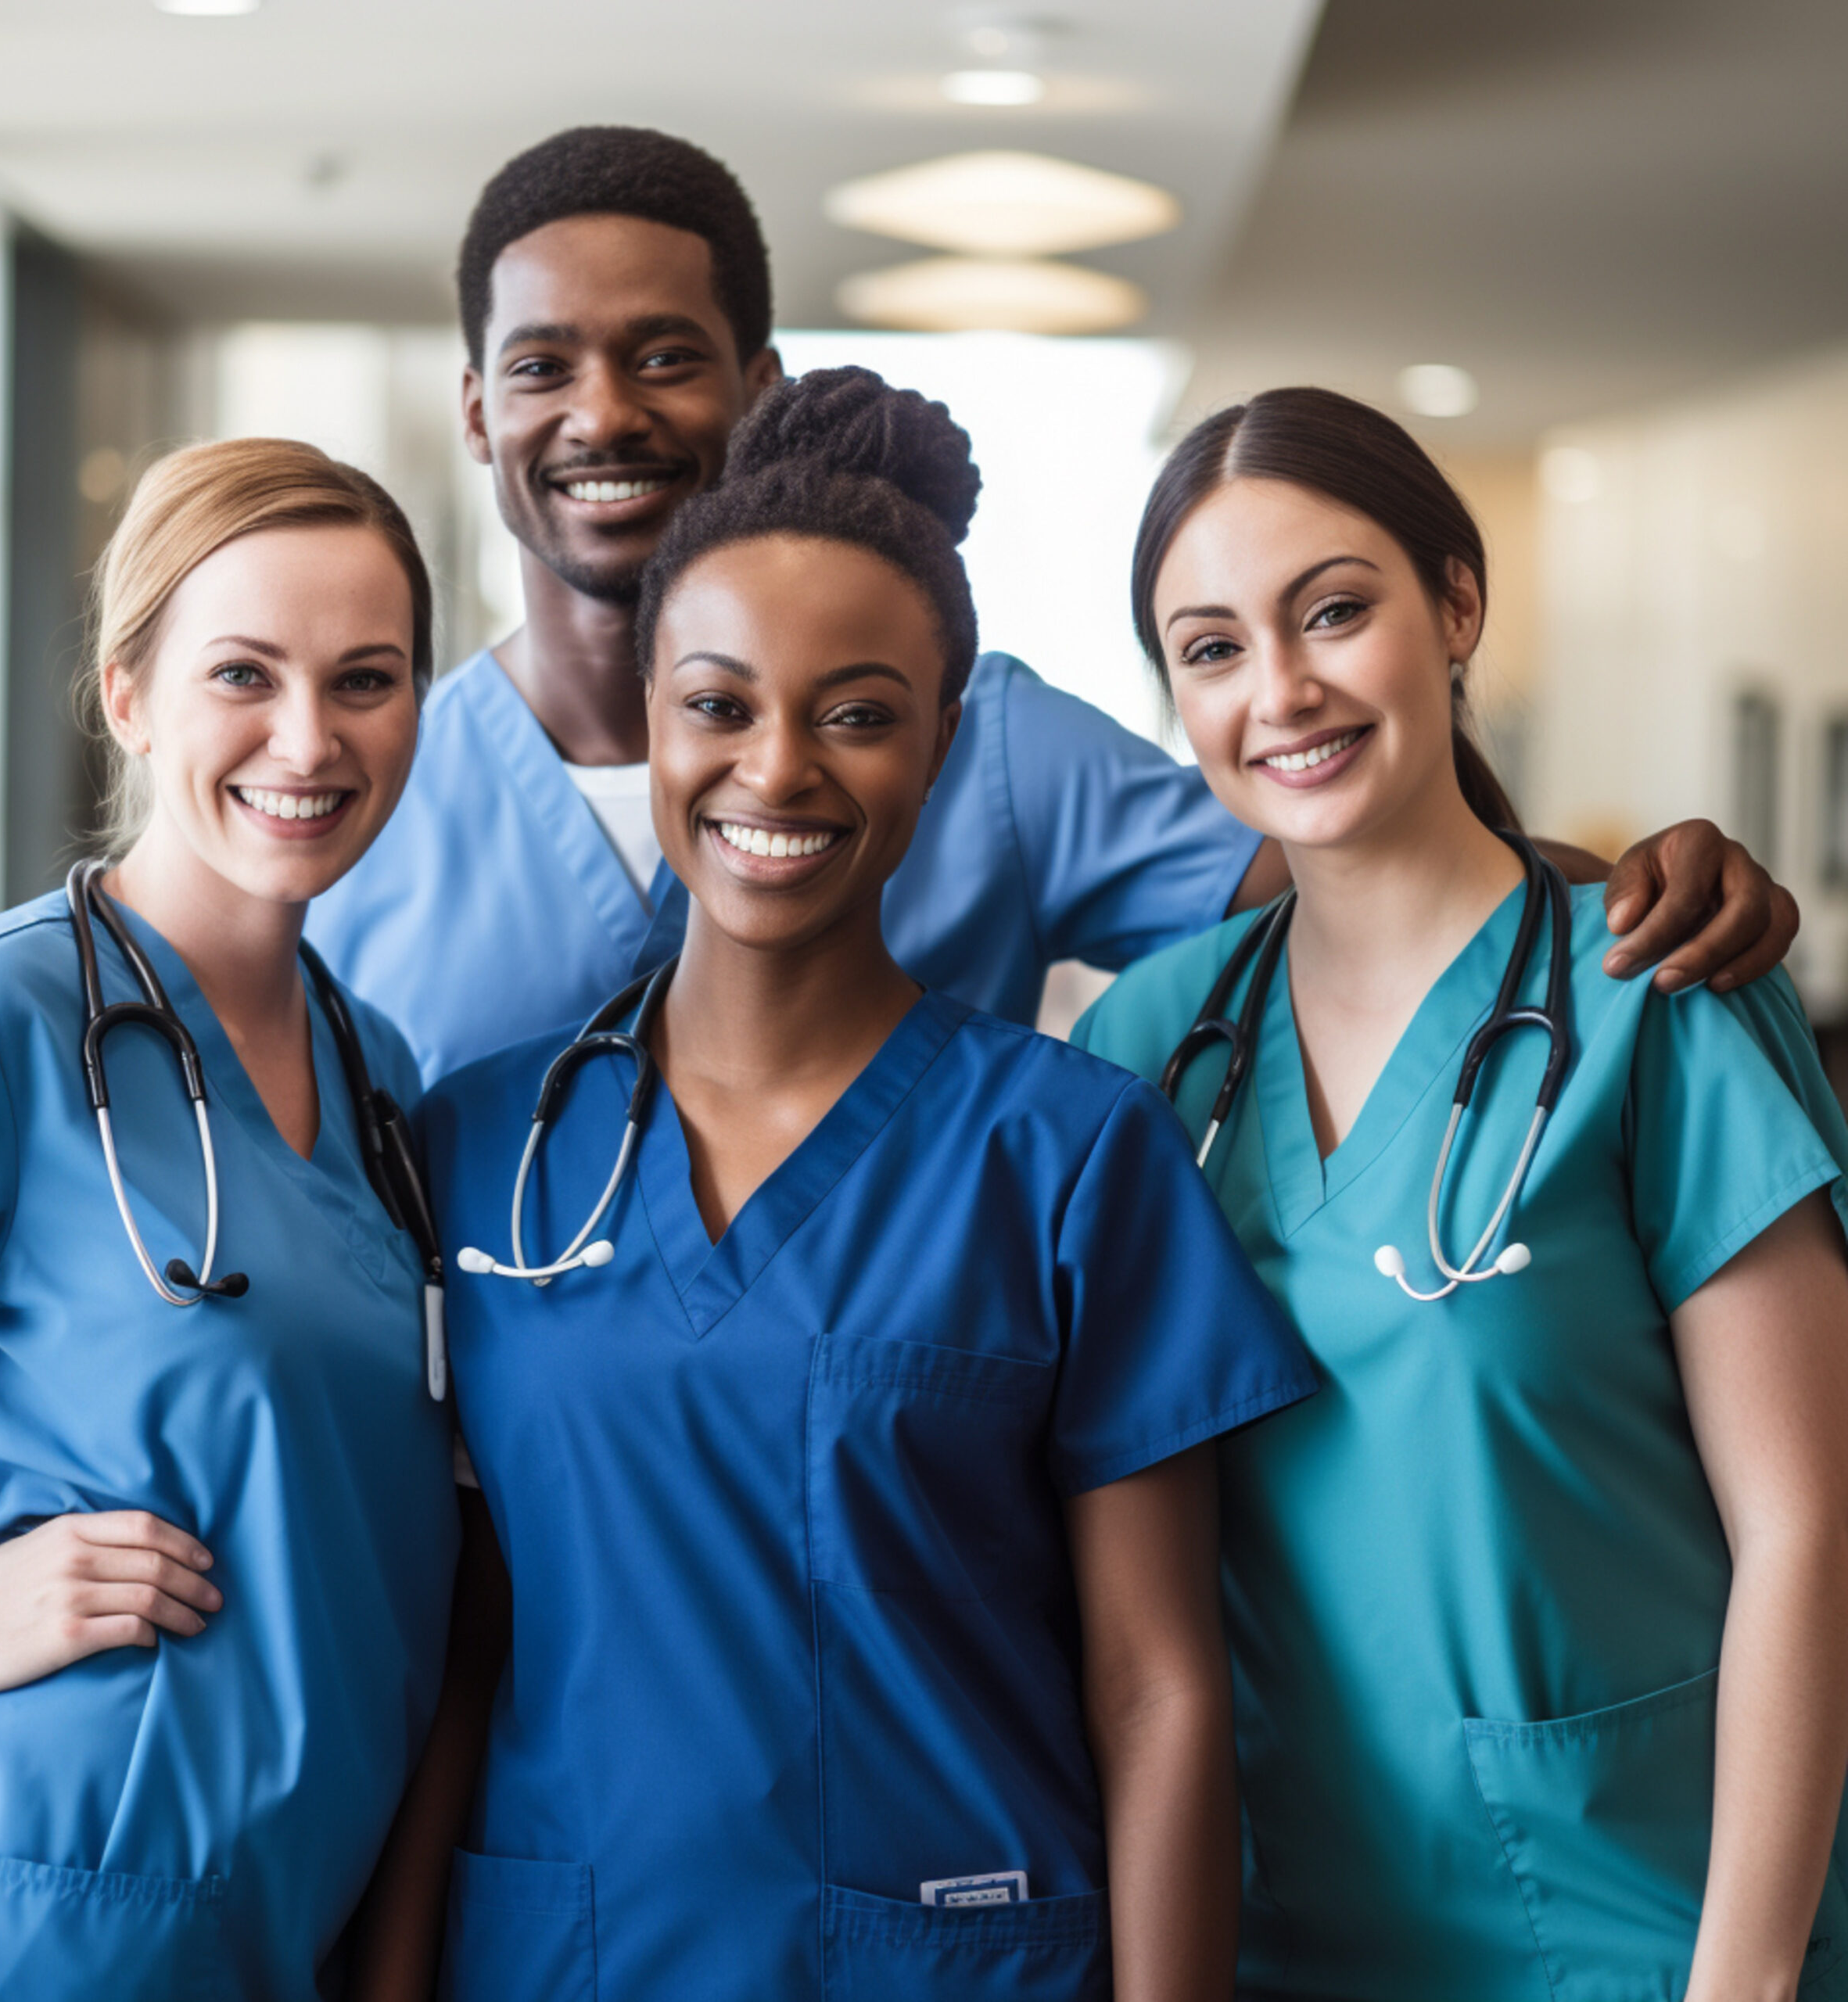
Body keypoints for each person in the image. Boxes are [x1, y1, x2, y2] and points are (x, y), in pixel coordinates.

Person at [349, 368, 1319, 2002]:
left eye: (856, 712)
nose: (776, 768)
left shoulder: (1069, 1155)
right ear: (650, 718)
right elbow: (463, 1642)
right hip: (575, 1954)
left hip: (961, 1955)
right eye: (717, 704)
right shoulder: (481, 1149)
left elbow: (1157, 1686)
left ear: (939, 746)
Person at [304, 124, 1796, 1089]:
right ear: (478, 413)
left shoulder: (992, 742)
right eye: (544, 366)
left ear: (759, 385)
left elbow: (1363, 878)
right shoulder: (375, 791)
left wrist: (1628, 885)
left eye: (665, 355)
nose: (604, 414)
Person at [1073, 387, 1848, 1999]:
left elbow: (1806, 1522)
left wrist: (1746, 1975)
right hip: (1271, 1926)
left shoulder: (1654, 994)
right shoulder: (1151, 1041)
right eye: (1209, 648)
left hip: (1635, 1919)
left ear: (1456, 602)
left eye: (1332, 610)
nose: (1278, 690)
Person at [0, 440, 461, 2000]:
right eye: (242, 673)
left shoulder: (376, 1072)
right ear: (128, 693)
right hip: (50, 1909)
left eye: (366, 679)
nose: (308, 738)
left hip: (303, 1907)